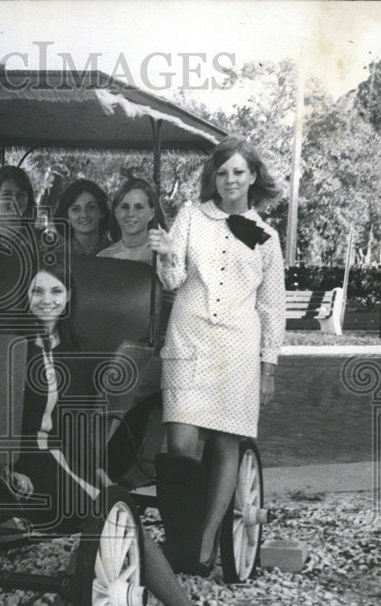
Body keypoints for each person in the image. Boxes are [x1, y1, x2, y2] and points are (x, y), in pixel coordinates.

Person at [13, 258, 246, 606]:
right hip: (27, 463)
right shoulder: (11, 349)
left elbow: (75, 426)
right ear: (26, 297)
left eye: (56, 292)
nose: (46, 300)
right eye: (37, 291)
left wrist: (96, 469)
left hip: (59, 458)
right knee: (122, 516)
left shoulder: (74, 352)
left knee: (117, 510)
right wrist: (7, 468)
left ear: (69, 300)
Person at [148, 135, 285, 574]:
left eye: (239, 172)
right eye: (223, 172)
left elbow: (272, 306)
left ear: (253, 177)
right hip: (188, 340)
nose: (230, 179)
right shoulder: (190, 217)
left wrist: (268, 367)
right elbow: (172, 281)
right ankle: (179, 538)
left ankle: (202, 548)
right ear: (214, 176)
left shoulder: (267, 237)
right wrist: (169, 255)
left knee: (227, 444)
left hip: (239, 352)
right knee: (181, 446)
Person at [0, 165, 41, 339]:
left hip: (30, 335)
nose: (14, 201)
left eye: (21, 195)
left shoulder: (42, 242)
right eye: (6, 195)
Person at [98, 178, 160, 263]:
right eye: (124, 207)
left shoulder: (161, 255)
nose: (130, 214)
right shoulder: (104, 257)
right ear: (116, 211)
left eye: (139, 207)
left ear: (152, 213)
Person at [53, 178, 110, 257]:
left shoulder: (120, 254)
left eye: (91, 207)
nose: (84, 214)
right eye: (76, 209)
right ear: (66, 217)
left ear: (101, 212)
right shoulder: (56, 258)